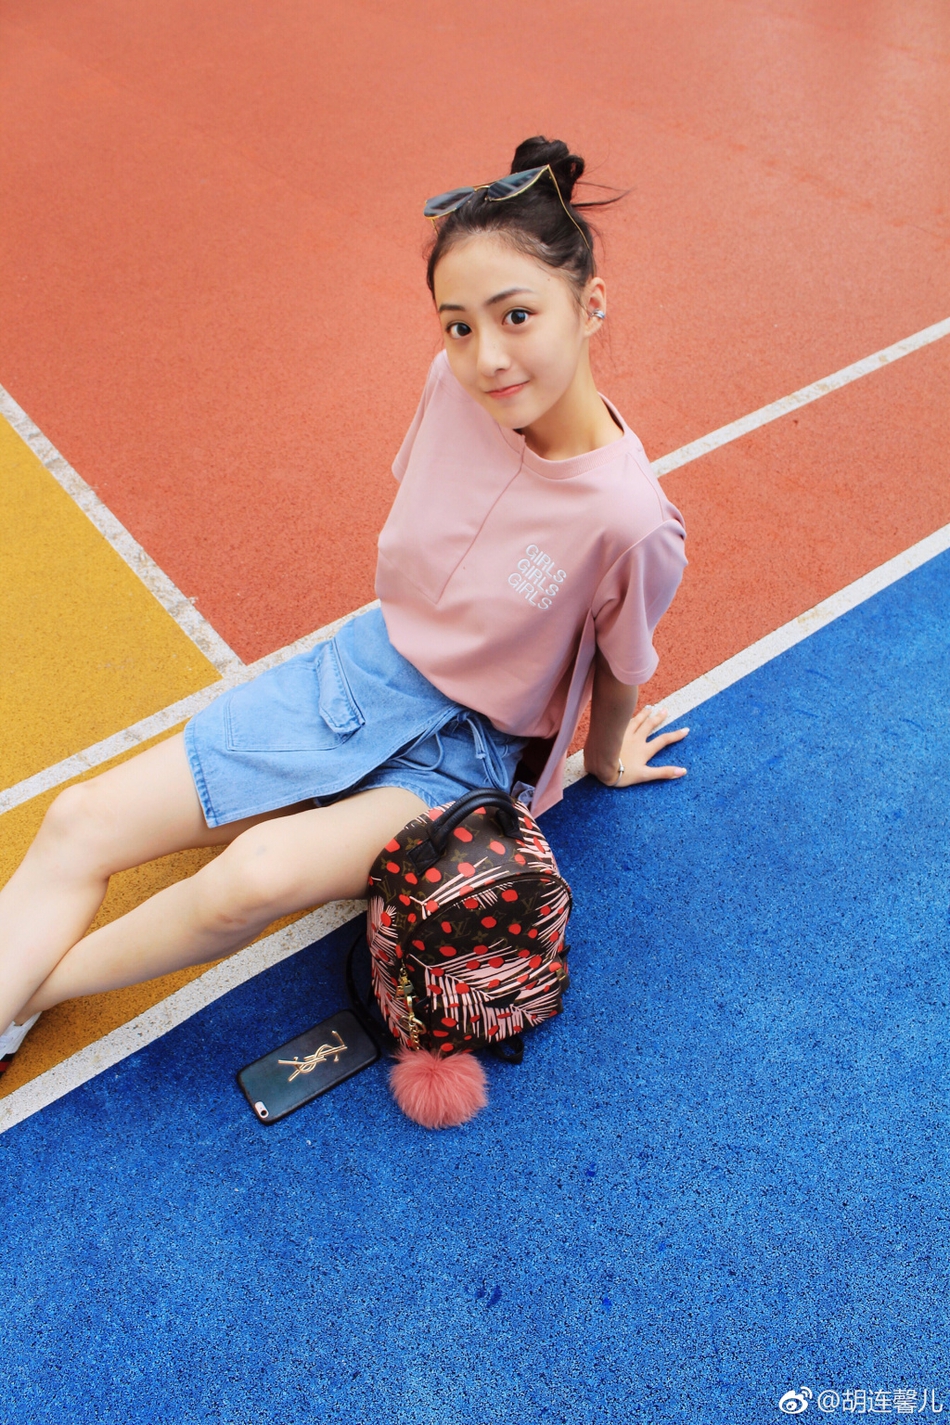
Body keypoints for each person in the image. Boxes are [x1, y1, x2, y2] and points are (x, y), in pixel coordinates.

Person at [0, 136, 688, 1074]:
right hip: (362, 676)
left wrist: (603, 761)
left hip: (464, 759)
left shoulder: (632, 520)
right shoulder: (454, 391)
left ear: (591, 305)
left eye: (517, 315)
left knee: (251, 877)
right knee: (79, 819)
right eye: (457, 326)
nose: (487, 357)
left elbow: (619, 662)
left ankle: (24, 989)